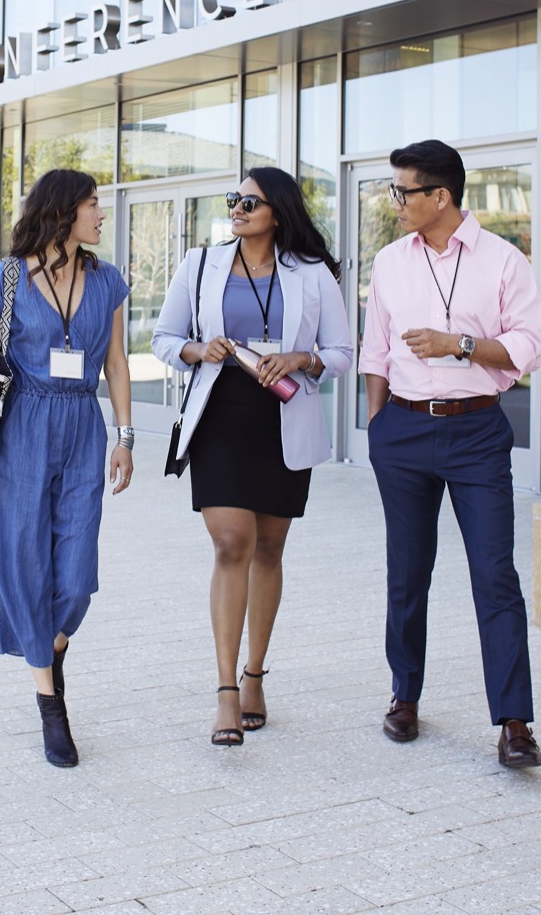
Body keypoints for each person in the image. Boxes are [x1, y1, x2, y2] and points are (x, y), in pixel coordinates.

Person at [359, 139, 541, 768]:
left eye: (403, 192)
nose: (395, 203)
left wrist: (458, 344)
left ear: (441, 196)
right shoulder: (389, 262)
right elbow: (376, 349)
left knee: (496, 576)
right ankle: (404, 696)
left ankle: (514, 723)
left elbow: (529, 345)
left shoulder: (503, 261)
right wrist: (377, 424)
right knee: (407, 574)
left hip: (475, 433)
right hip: (404, 432)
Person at [153, 167, 353, 746]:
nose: (237, 208)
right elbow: (164, 339)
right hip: (220, 415)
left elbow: (341, 352)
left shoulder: (312, 275)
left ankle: (256, 674)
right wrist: (197, 347)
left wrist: (301, 360)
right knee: (230, 543)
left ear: (278, 211)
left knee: (269, 547)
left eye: (250, 201)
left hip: (282, 418)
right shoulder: (200, 266)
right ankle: (225, 692)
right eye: (233, 200)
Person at [0, 168, 133, 768]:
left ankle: (49, 649)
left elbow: (118, 365)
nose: (102, 215)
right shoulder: (8, 279)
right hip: (24, 425)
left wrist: (125, 437)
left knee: (74, 574)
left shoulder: (108, 283)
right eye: (94, 205)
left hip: (81, 425)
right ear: (63, 212)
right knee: (23, 556)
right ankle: (51, 706)